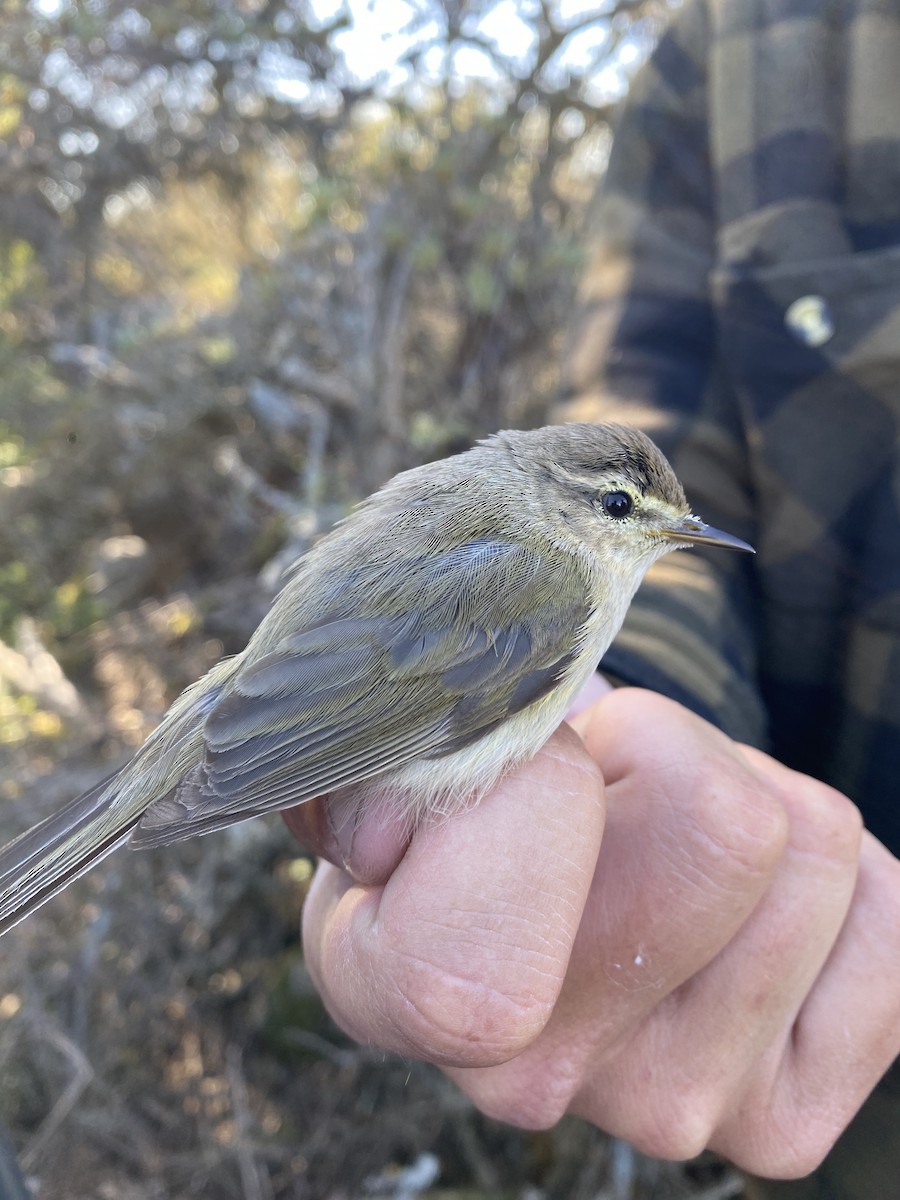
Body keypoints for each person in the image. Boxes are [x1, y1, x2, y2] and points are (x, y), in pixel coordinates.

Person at [285, 1, 900, 1195]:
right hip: (854, 1026)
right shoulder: (747, 56)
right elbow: (662, 429)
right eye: (632, 523)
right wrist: (644, 746)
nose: (658, 536)